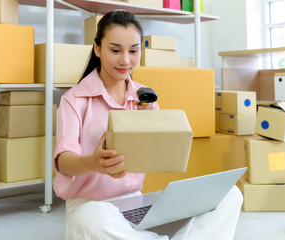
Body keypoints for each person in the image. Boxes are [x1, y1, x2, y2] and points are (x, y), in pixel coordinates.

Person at [53, 10, 243, 240]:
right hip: (94, 207)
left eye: (133, 51)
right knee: (89, 219)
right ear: (97, 48)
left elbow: (160, 154)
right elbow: (63, 161)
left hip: (138, 202)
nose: (125, 60)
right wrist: (94, 163)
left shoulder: (145, 97)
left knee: (228, 194)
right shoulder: (74, 100)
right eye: (115, 50)